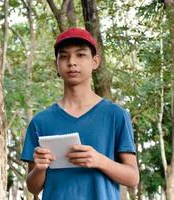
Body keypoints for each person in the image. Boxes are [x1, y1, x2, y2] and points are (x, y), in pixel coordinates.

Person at [20, 27, 139, 199]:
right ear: (57, 65)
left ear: (95, 61)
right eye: (64, 56)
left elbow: (133, 177)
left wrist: (99, 160)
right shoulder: (40, 122)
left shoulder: (116, 115)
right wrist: (40, 168)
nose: (72, 62)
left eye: (81, 55)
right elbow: (33, 187)